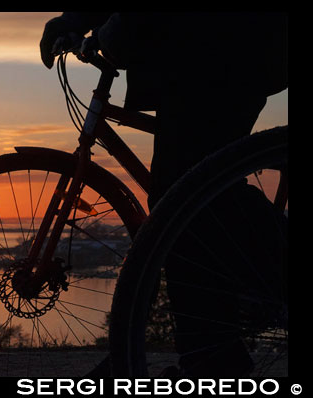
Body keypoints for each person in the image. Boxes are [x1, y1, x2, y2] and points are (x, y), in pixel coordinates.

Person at [40, 12, 288, 377]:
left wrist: (107, 36)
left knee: (186, 202)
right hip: (212, 52)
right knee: (186, 202)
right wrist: (82, 19)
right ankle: (212, 361)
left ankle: (214, 359)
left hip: (219, 49)